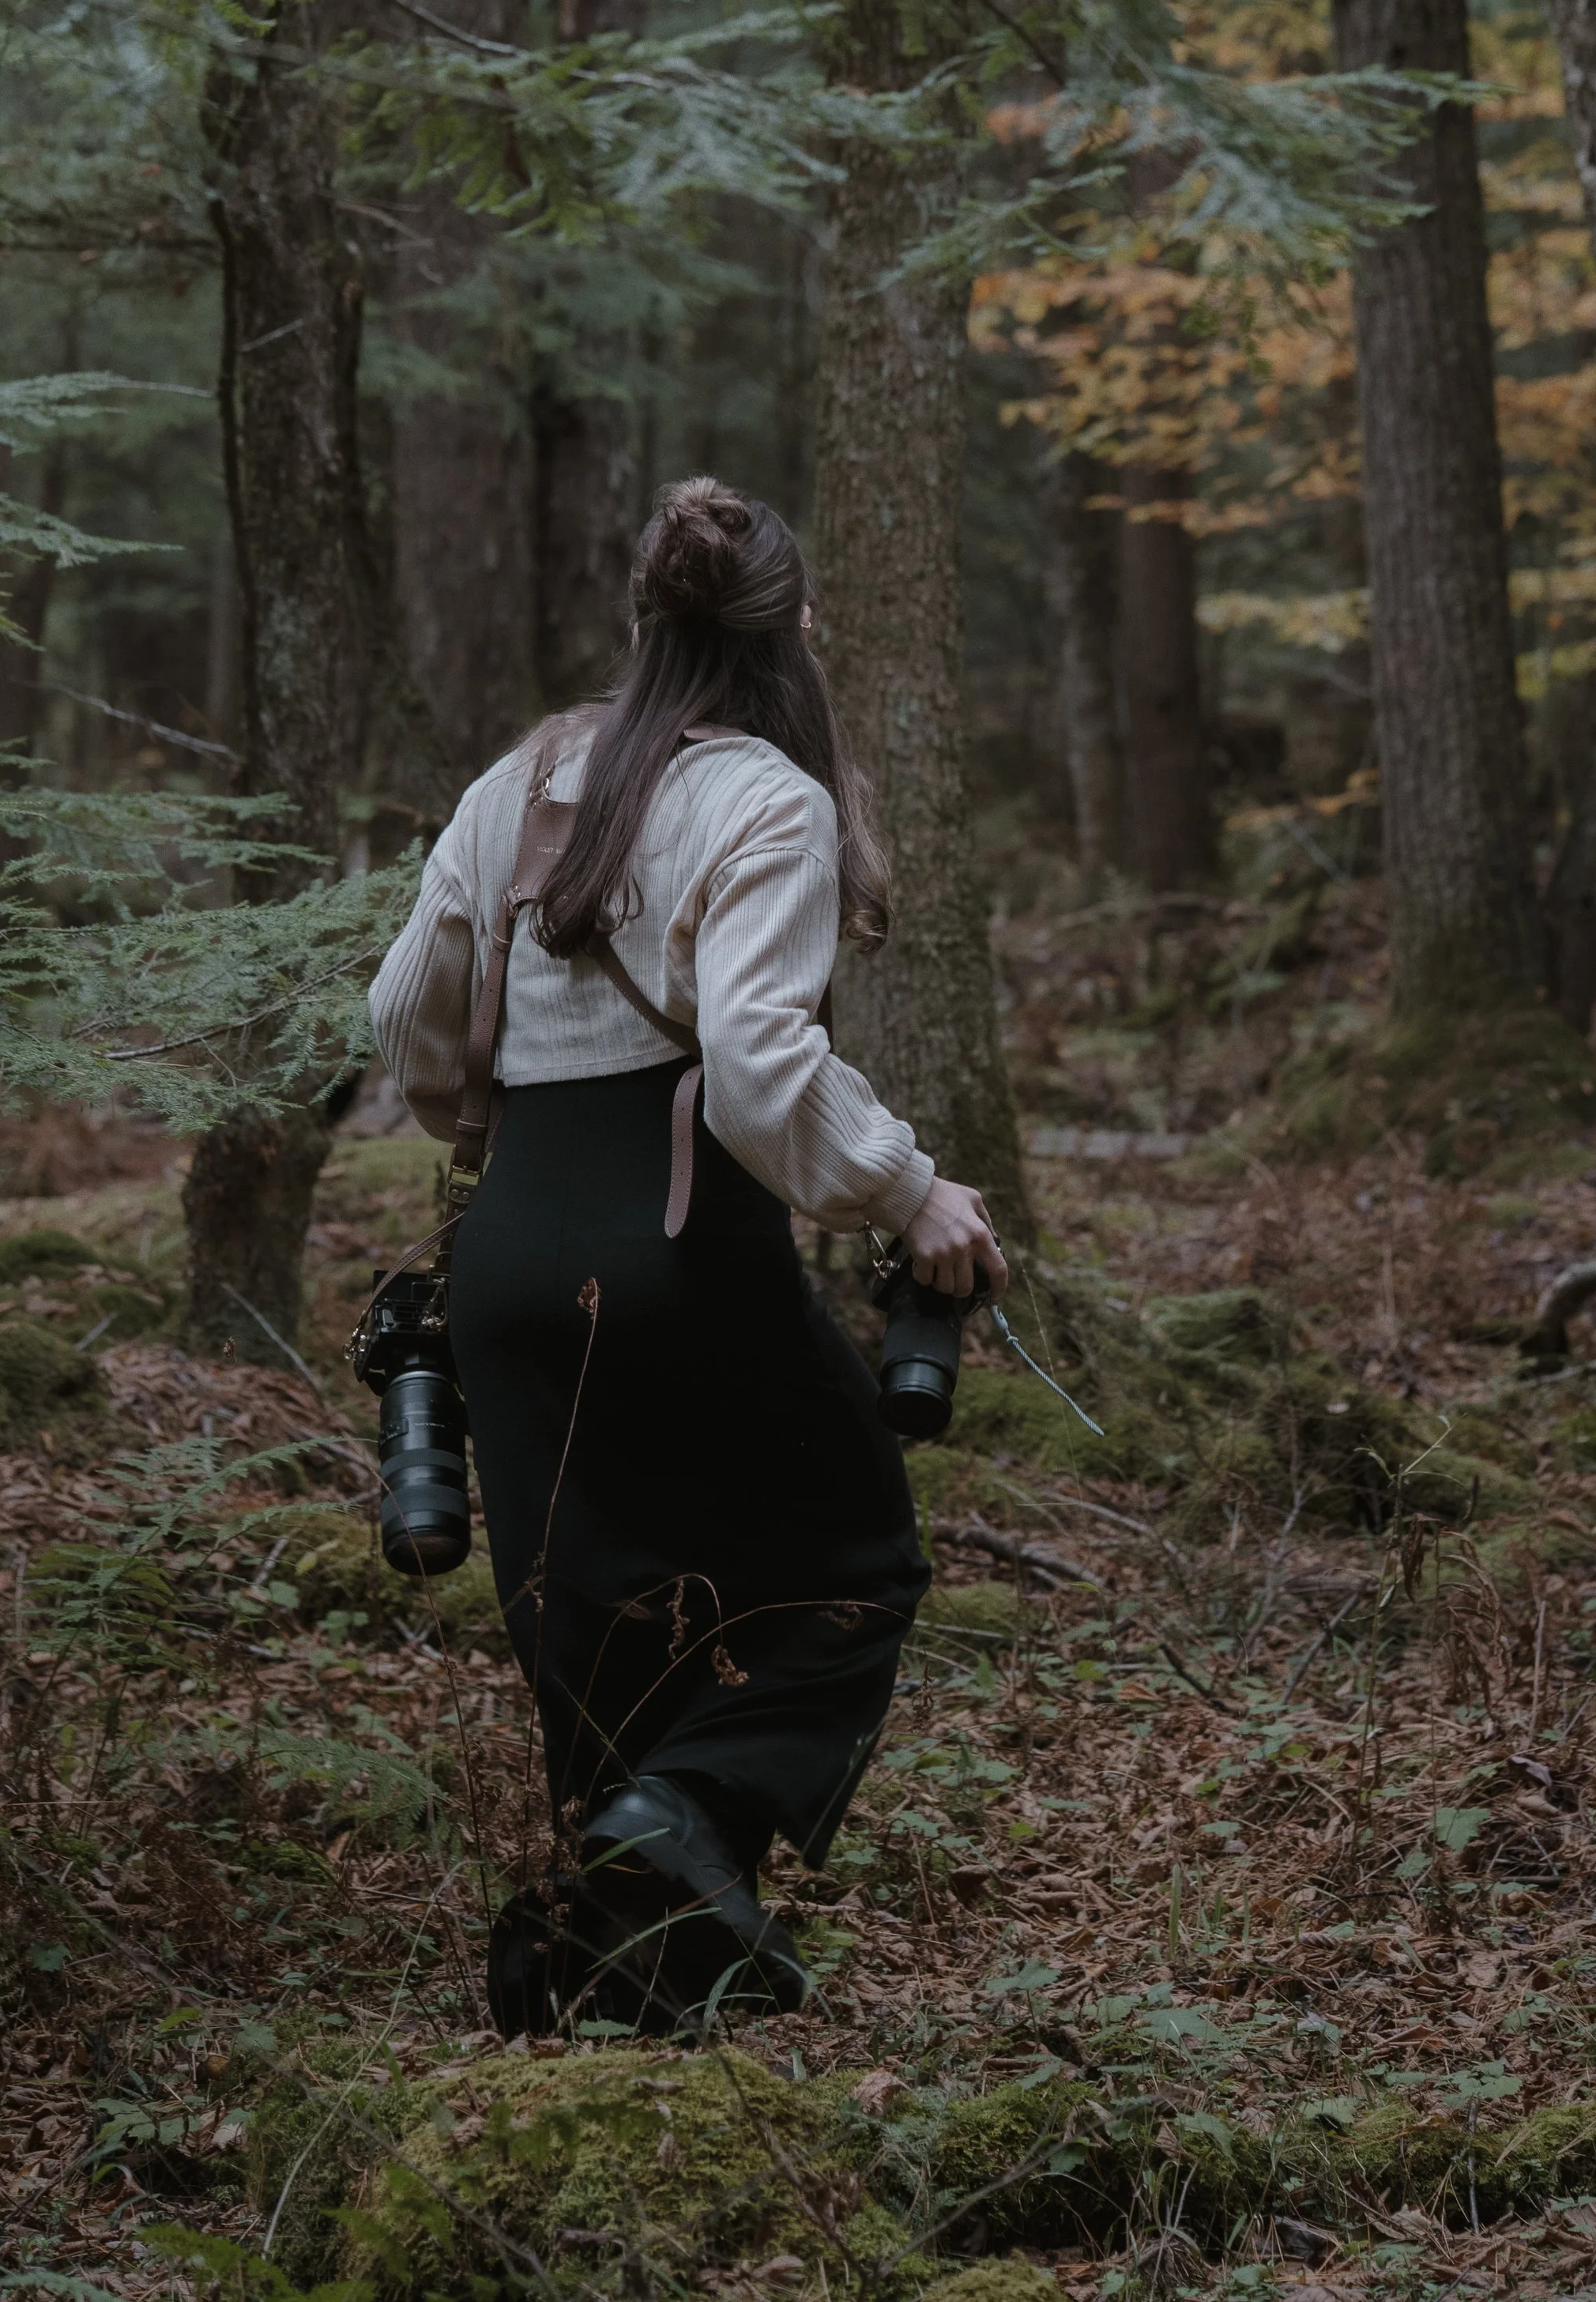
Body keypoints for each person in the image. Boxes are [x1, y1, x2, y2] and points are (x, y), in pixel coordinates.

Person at [369, 477, 1007, 2035]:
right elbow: (751, 1071)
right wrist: (905, 1191)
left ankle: (615, 1987)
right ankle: (668, 1869)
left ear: (641, 626)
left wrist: (478, 1126)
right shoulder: (768, 804)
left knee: (585, 1621)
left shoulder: (517, 785)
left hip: (510, 1251)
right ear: (792, 636)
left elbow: (396, 1017)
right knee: (852, 1564)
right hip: (677, 1247)